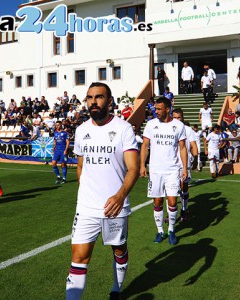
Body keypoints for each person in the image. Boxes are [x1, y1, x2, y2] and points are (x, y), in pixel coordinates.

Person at [65, 82, 139, 300]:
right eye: (89, 97)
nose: (93, 102)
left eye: (98, 97)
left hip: (115, 207)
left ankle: (116, 288)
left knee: (118, 250)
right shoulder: (81, 130)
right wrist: (86, 190)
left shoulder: (123, 128)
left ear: (109, 101)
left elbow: (133, 168)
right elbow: (80, 166)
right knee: (78, 257)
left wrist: (119, 196)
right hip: (86, 206)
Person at [140, 97, 188, 245]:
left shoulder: (178, 126)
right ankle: (160, 231)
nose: (156, 111)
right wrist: (142, 165)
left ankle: (171, 230)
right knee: (158, 201)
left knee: (172, 201)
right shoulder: (151, 124)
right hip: (155, 170)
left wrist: (185, 167)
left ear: (168, 109)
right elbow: (144, 146)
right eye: (155, 108)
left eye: (159, 109)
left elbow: (182, 148)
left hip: (172, 170)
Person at [172, 108, 198, 222]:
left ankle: (184, 209)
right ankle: (172, 213)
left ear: (183, 118)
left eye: (179, 117)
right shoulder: (169, 128)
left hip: (184, 161)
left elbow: (193, 145)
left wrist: (196, 158)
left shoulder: (188, 130)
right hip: (171, 162)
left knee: (183, 186)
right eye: (175, 117)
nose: (177, 120)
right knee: (172, 188)